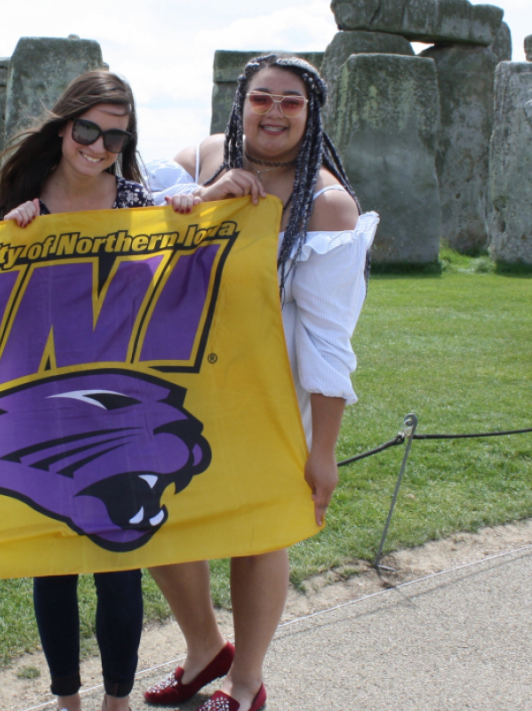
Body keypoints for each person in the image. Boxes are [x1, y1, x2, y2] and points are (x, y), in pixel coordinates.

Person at [142, 54, 377, 711]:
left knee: (257, 529)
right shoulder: (204, 156)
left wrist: (322, 452)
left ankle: (245, 681)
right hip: (184, 374)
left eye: (291, 103)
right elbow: (127, 215)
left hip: (272, 390)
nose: (274, 112)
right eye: (262, 98)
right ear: (240, 102)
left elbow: (330, 340)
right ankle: (203, 648)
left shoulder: (328, 205)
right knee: (153, 511)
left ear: (311, 114)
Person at [0, 70, 153, 711]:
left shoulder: (140, 200)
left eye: (115, 136)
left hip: (125, 398)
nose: (99, 146)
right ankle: (66, 699)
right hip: (44, 399)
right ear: (64, 127)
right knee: (53, 559)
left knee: (120, 556)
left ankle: (115, 701)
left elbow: (181, 252)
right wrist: (11, 236)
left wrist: (206, 204)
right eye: (89, 130)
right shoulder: (22, 198)